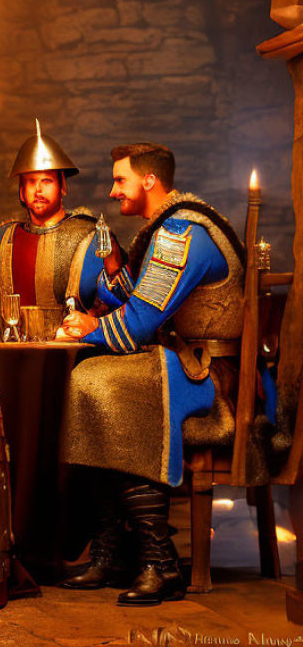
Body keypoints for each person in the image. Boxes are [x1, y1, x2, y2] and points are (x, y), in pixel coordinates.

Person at [59, 143, 253, 606]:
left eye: (120, 180)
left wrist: (88, 328)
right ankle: (111, 548)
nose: (111, 191)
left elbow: (142, 322)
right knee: (85, 378)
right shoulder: (167, 229)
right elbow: (145, 303)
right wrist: (112, 269)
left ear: (149, 181)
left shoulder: (181, 232)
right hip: (186, 363)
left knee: (99, 382)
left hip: (212, 376)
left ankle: (158, 558)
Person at [0, 122, 118, 314]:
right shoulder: (1, 240)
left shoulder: (92, 237)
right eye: (31, 182)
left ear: (62, 186)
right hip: (13, 343)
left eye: (46, 181)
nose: (38, 190)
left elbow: (121, 301)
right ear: (22, 192)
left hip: (73, 342)